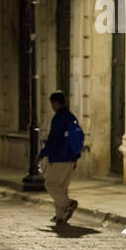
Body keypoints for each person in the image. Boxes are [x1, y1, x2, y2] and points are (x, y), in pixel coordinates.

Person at [37, 91, 80, 225]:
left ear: (55, 103)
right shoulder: (71, 117)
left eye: (52, 103)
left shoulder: (59, 118)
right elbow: (76, 139)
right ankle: (60, 215)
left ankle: (69, 204)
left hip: (59, 157)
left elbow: (54, 139)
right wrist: (76, 157)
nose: (52, 106)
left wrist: (42, 154)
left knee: (50, 184)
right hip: (71, 157)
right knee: (61, 187)